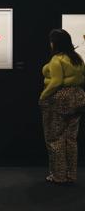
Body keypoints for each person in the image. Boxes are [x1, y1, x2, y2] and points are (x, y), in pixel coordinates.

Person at [39, 29, 85, 184]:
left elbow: (56, 82)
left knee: (55, 138)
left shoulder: (56, 59)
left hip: (60, 99)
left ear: (55, 43)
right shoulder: (77, 58)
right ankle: (71, 174)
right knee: (71, 138)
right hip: (78, 97)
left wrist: (43, 96)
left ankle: (58, 175)